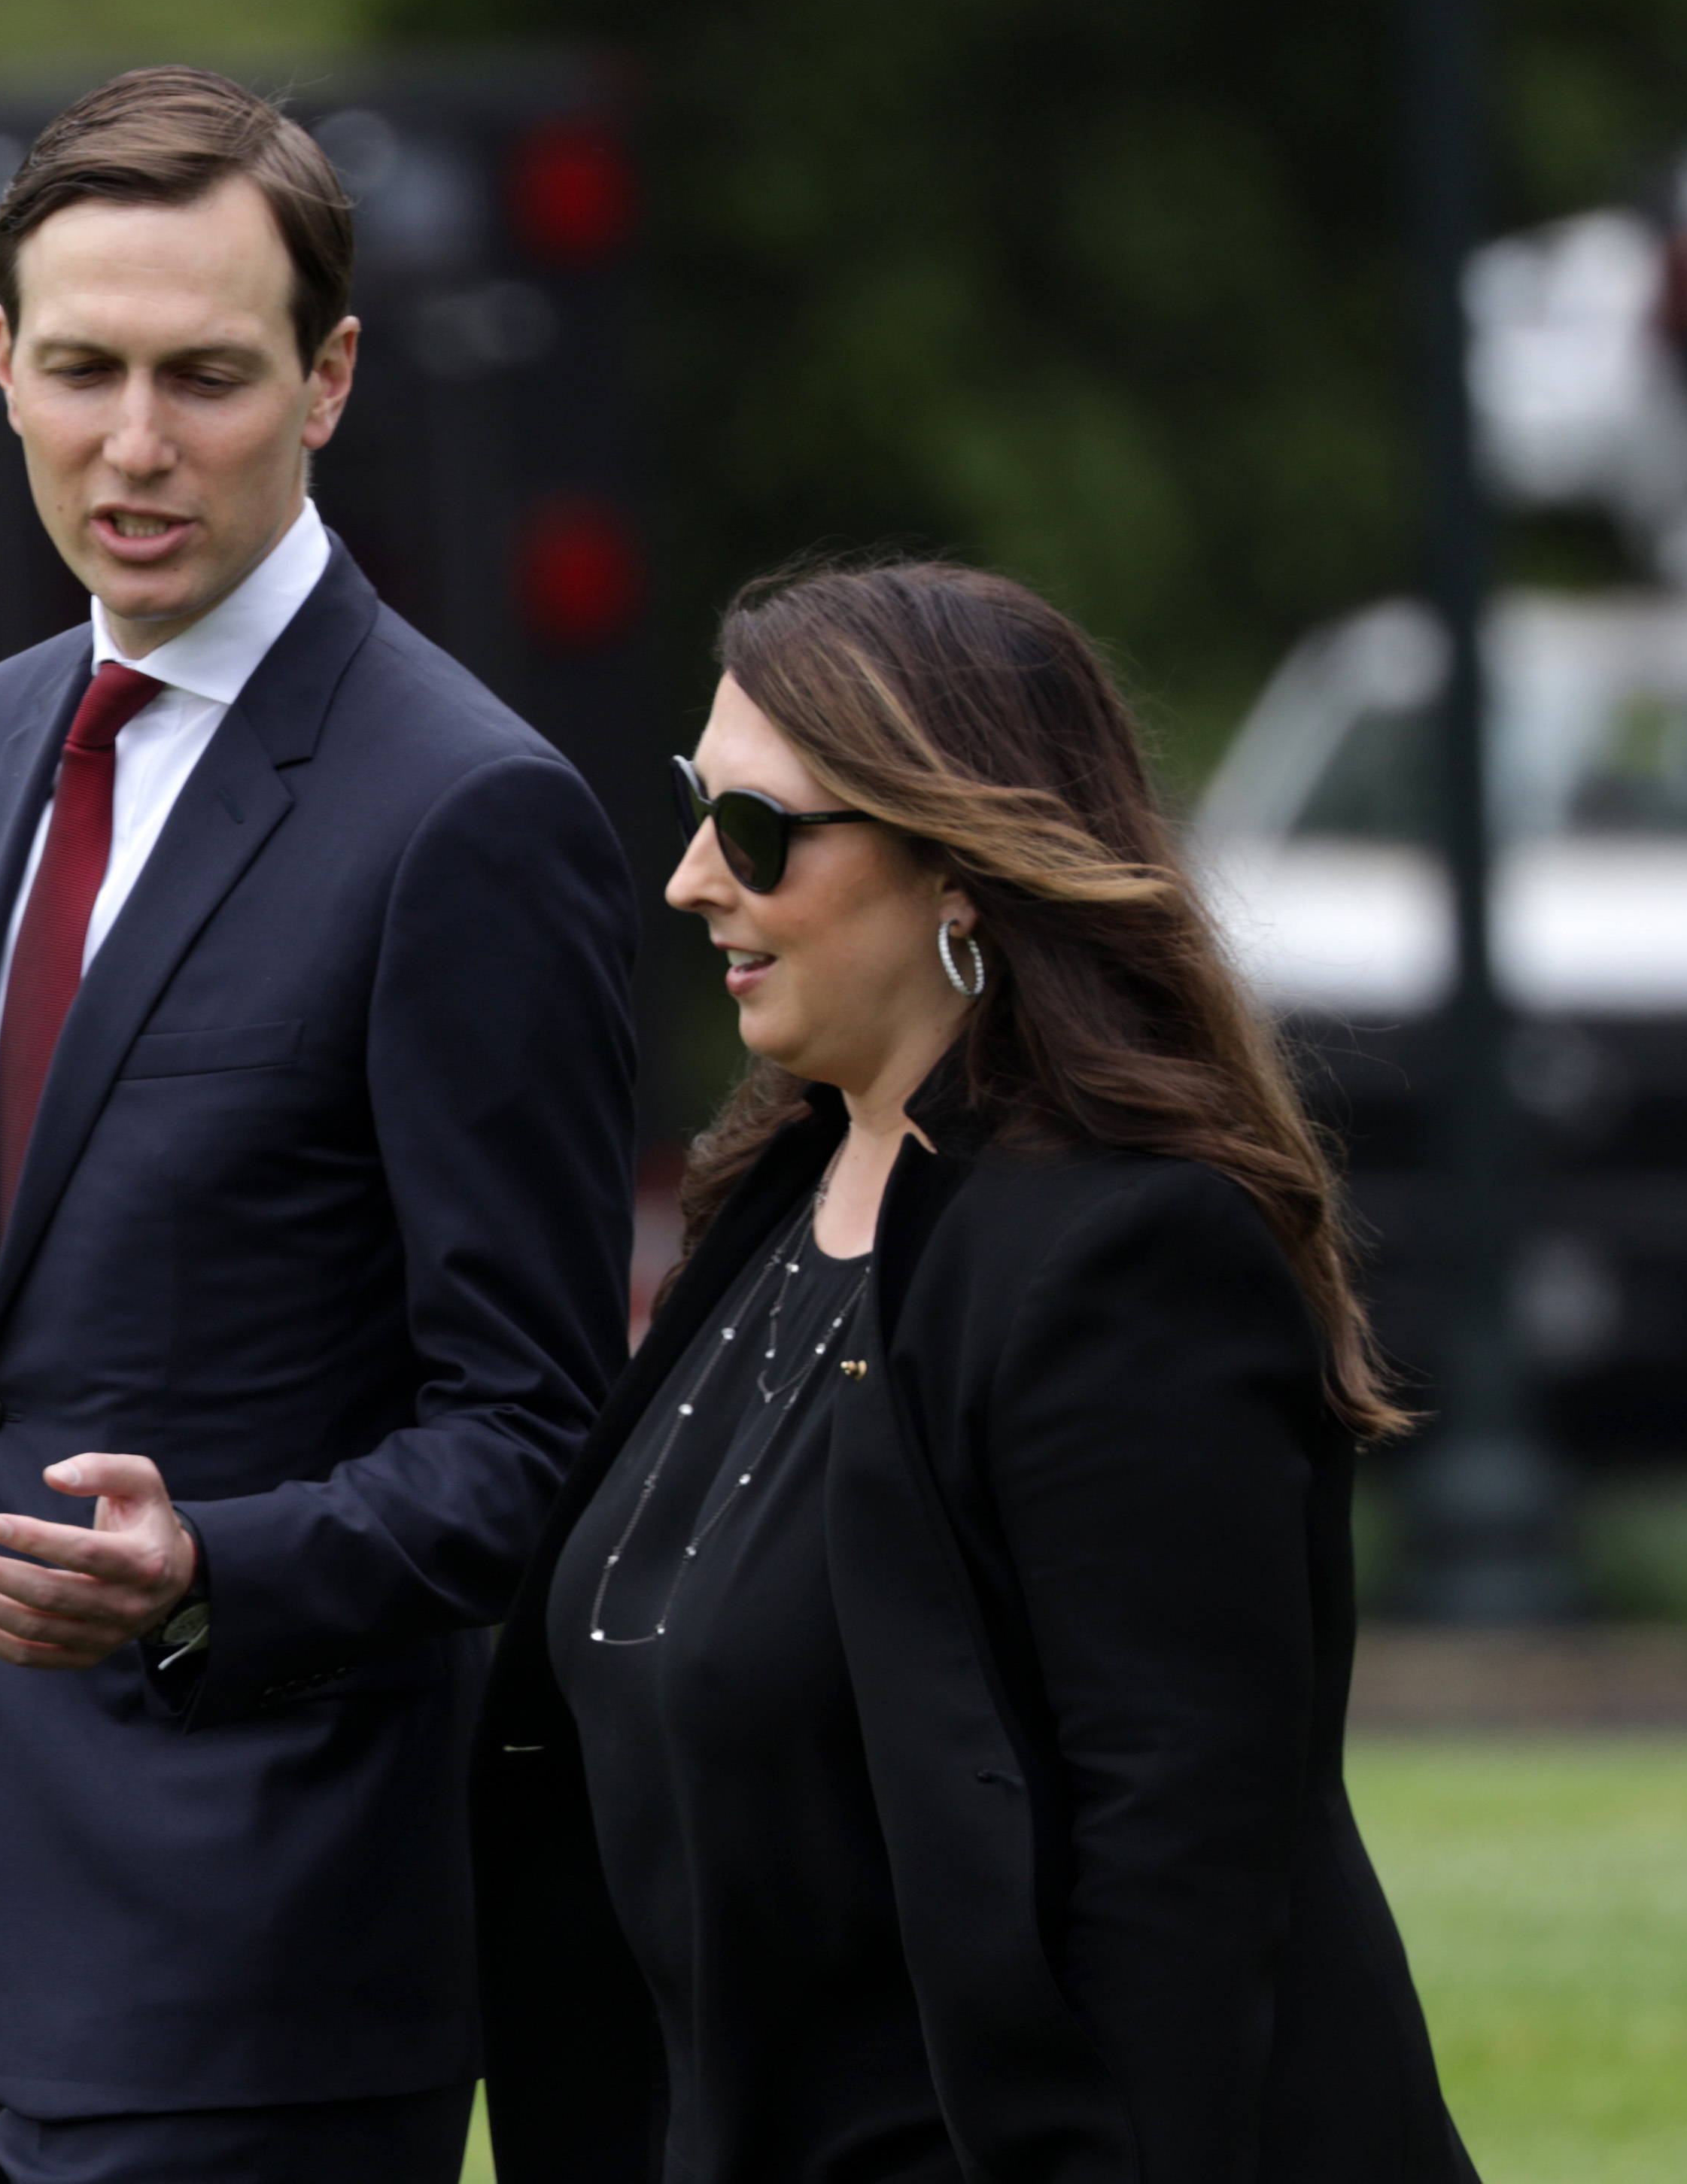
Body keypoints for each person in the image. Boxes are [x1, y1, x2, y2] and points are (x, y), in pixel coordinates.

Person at [0, 66, 639, 2182]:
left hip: (252, 1959)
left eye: (207, 376)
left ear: (331, 378)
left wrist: (203, 1579)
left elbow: (534, 1433)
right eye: (81, 370)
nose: (136, 444)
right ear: (0, 366)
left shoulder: (468, 810)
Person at [472, 560, 1479, 2183]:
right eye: (693, 808)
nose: (687, 881)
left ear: (956, 865)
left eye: (756, 831)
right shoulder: (770, 1203)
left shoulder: (1127, 1258)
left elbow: (1181, 1869)